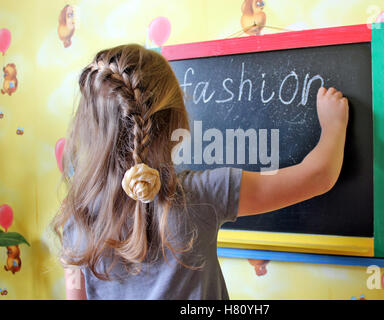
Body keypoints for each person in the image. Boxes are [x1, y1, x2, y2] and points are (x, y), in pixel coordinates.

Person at [52, 44, 348, 300]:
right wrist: (334, 125)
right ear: (175, 121)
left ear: (88, 129)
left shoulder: (78, 220)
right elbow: (319, 176)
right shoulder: (201, 194)